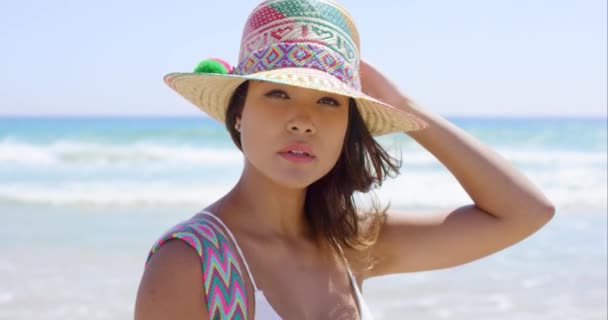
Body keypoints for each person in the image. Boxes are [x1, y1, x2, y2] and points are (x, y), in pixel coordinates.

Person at [134, 1, 555, 319]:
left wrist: (407, 109)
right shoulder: (191, 263)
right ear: (238, 113)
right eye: (277, 94)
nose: (303, 121)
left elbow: (525, 212)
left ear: (347, 126)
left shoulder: (351, 242)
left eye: (328, 101)